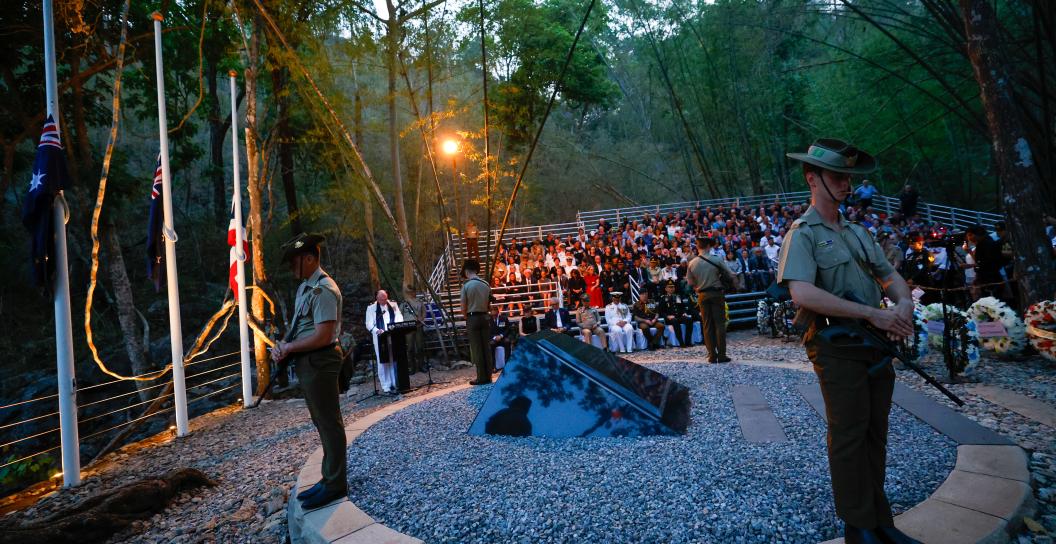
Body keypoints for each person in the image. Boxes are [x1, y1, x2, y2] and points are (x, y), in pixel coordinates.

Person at [780, 138, 918, 544]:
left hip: (875, 343)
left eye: (849, 176)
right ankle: (858, 526)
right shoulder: (802, 234)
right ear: (813, 178)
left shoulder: (857, 232)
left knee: (876, 431)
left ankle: (880, 521)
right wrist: (874, 313)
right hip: (835, 342)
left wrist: (904, 303)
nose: (846, 183)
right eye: (838, 175)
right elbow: (802, 294)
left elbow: (887, 275)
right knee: (849, 433)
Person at [272, 233, 347, 509]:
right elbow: (299, 328)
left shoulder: (324, 289)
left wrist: (291, 348)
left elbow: (324, 336)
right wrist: (284, 346)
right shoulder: (306, 288)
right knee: (321, 421)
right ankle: (329, 478)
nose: (292, 266)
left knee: (329, 422)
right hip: (309, 361)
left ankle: (336, 483)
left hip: (320, 360)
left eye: (295, 261)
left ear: (309, 258)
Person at [686, 236, 736, 363]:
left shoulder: (692, 263)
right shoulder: (716, 259)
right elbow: (730, 274)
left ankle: (711, 355)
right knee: (719, 324)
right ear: (708, 246)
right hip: (716, 293)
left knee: (707, 325)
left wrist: (699, 286)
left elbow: (690, 282)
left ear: (698, 247)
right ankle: (722, 354)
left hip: (702, 295)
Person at [365, 289, 405, 395]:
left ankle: (395, 382)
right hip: (380, 337)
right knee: (383, 360)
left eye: (385, 298)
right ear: (377, 298)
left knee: (394, 358)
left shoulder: (393, 304)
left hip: (393, 335)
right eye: (382, 299)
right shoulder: (371, 308)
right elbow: (369, 323)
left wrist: (396, 326)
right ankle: (386, 385)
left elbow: (399, 316)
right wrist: (376, 330)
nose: (384, 300)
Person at [460, 259, 493, 386]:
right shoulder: (485, 284)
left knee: (477, 348)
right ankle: (489, 376)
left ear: (467, 272)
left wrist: (465, 317)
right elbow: (489, 304)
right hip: (485, 316)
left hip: (472, 317)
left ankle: (481, 377)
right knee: (486, 347)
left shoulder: (466, 286)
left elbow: (463, 306)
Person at [657, 279, 691, 348]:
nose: (672, 289)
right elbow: (660, 311)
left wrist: (684, 313)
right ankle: (681, 342)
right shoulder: (663, 298)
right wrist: (667, 316)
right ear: (666, 289)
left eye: (673, 287)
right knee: (675, 321)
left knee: (689, 319)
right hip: (670, 318)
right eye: (670, 287)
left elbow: (682, 307)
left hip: (678, 316)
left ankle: (688, 342)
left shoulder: (677, 296)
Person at [489, 306, 514, 372]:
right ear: (491, 313)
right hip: (493, 339)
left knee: (507, 341)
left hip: (502, 338)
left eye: (495, 315)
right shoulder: (488, 320)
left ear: (498, 312)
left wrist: (501, 336)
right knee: (491, 344)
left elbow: (508, 329)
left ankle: (507, 364)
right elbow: (487, 332)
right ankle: (493, 366)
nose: (494, 316)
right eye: (493, 315)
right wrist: (494, 337)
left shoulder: (504, 319)